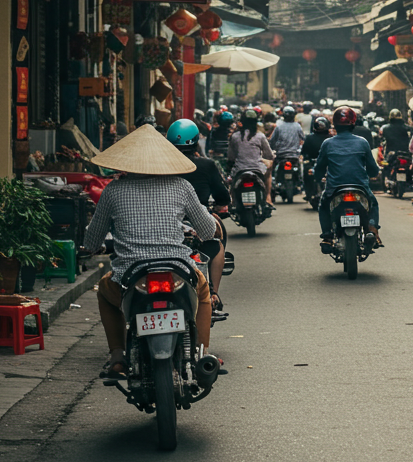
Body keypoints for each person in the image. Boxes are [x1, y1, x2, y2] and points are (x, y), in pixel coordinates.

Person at [83, 125, 219, 378]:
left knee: (104, 291)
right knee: (203, 293)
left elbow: (92, 240)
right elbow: (208, 230)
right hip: (177, 270)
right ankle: (201, 354)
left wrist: (90, 248)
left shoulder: (113, 190)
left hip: (130, 274)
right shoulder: (181, 186)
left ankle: (117, 357)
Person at [168, 119, 230, 310]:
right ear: (195, 141)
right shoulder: (205, 165)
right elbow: (222, 195)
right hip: (198, 220)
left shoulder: (162, 167)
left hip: (167, 224)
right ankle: (213, 292)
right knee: (217, 245)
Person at [314, 106, 382, 252]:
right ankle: (372, 230)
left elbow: (319, 167)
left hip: (334, 189)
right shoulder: (362, 142)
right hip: (360, 188)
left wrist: (317, 177)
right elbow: (372, 168)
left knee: (323, 205)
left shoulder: (328, 143)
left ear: (335, 125)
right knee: (373, 204)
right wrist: (374, 173)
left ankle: (327, 236)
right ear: (353, 124)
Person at [227, 107, 275, 209]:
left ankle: (233, 201)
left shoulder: (235, 136)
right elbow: (269, 155)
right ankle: (268, 197)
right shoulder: (260, 136)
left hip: (239, 169)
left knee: (232, 184)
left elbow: (231, 157)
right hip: (257, 169)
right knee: (269, 172)